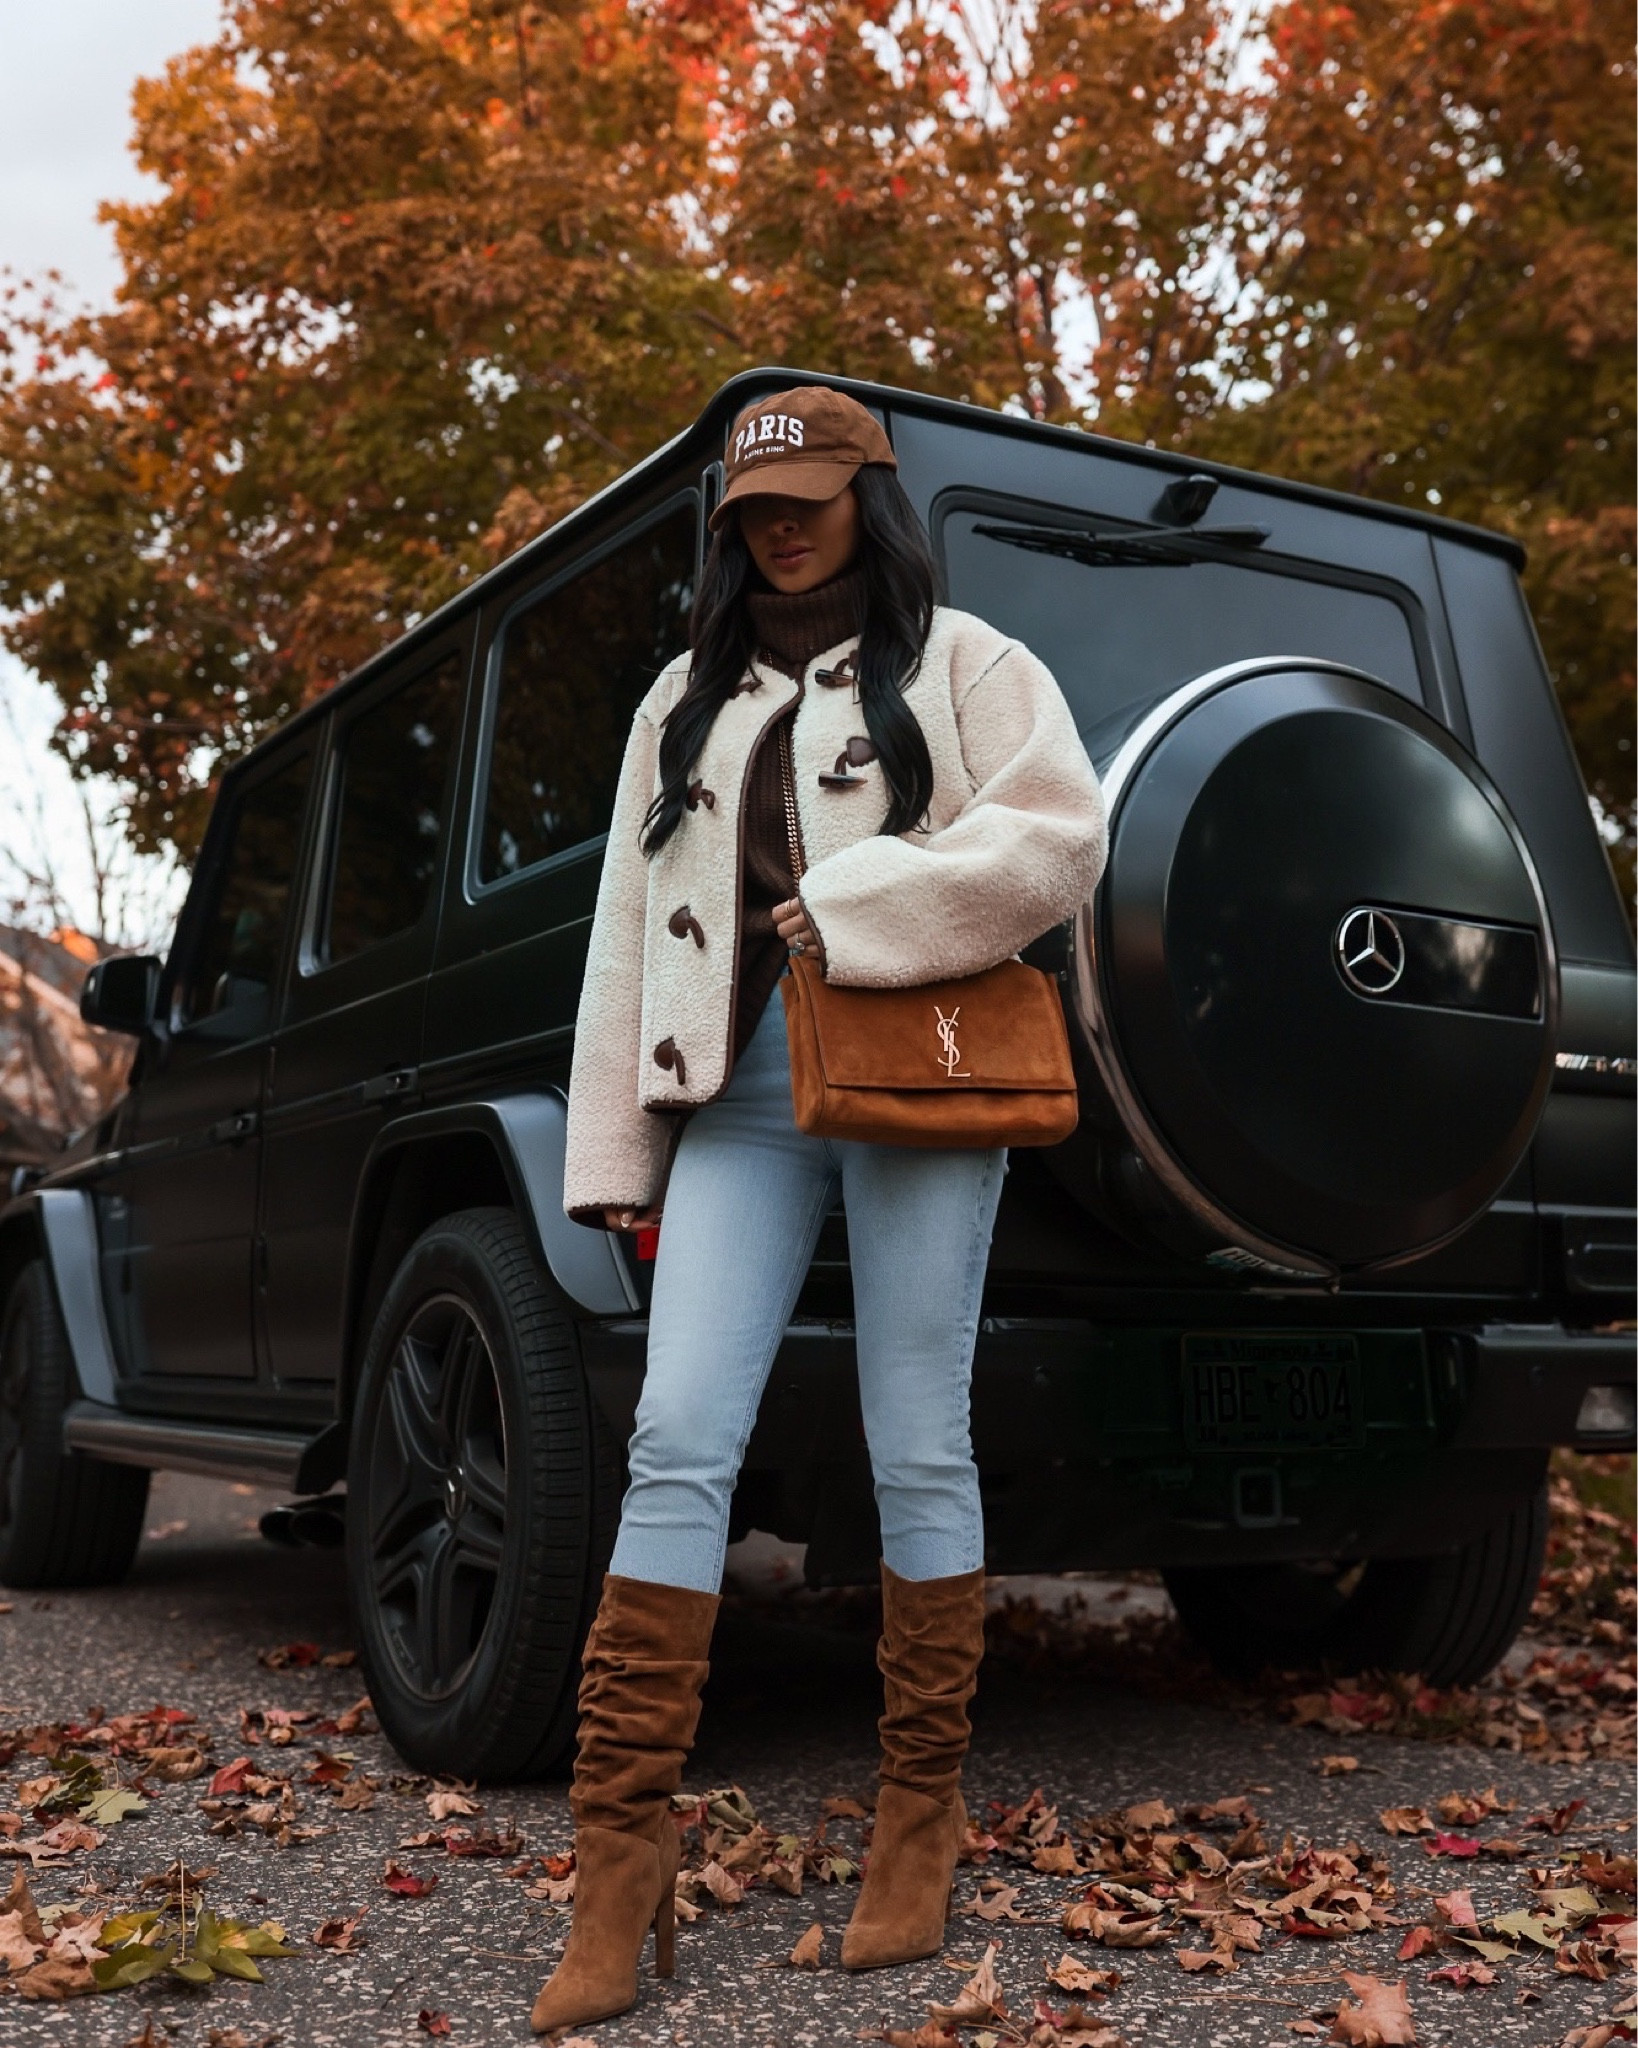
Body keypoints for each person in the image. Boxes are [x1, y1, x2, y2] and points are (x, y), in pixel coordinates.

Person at [532, 385, 1107, 2033]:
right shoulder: (678, 700)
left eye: (809, 494)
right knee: (678, 1434)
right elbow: (622, 940)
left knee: (915, 1430)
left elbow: (1056, 836)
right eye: (750, 505)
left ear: (872, 493)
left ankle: (912, 1834)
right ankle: (616, 1862)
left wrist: (852, 903)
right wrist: (614, 1160)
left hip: (919, 1071)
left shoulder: (970, 663)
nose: (779, 523)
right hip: (739, 1101)